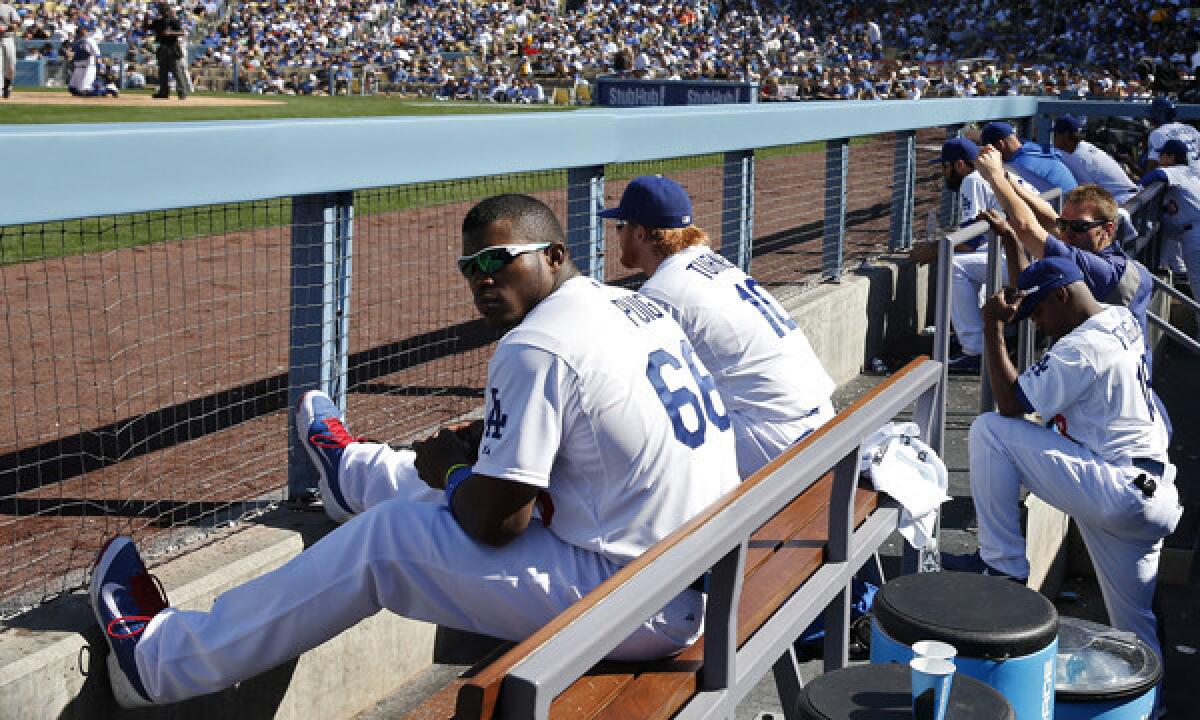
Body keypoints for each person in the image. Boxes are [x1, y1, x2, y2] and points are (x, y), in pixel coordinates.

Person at [89, 193, 739, 708]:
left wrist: (452, 469)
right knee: (475, 471)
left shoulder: (536, 343)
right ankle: (354, 475)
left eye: (499, 260)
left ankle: (161, 662)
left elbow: (496, 523)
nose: (483, 280)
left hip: (635, 602)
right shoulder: (628, 305)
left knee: (391, 539)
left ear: (554, 254)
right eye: (471, 268)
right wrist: (470, 465)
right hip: (687, 569)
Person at [961, 255, 1181, 669]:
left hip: (1116, 487)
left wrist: (991, 325)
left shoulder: (1082, 347)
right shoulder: (1120, 316)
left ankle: (1003, 567)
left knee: (990, 431)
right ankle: (1155, 709)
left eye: (1040, 312)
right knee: (1136, 630)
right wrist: (1014, 250)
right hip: (1151, 495)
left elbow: (1009, 405)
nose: (1038, 323)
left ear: (1063, 294)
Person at [598, 175, 835, 479]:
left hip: (774, 436)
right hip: (820, 417)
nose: (617, 235)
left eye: (621, 227)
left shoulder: (662, 292)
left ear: (641, 233)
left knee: (658, 436)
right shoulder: (712, 264)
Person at [909, 137, 1029, 372]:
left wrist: (933, 250)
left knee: (952, 263)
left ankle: (975, 349)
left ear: (960, 164)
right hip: (1029, 250)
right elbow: (978, 235)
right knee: (970, 258)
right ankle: (978, 333)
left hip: (1021, 258)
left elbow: (971, 241)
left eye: (945, 166)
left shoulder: (972, 181)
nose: (944, 173)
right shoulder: (992, 173)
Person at [1141, 139, 1200, 338]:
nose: (1158, 159)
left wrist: (1137, 186)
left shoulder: (1176, 171)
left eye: (1162, 155)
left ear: (1171, 157)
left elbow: (1155, 176)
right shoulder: (1193, 172)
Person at [1052, 115, 1139, 204]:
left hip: (1124, 202)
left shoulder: (1079, 156)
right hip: (1129, 198)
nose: (1053, 138)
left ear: (1065, 135)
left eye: (1055, 134)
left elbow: (1087, 191)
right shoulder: (1083, 147)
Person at [979, 120, 1078, 195]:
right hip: (1074, 203)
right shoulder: (1036, 149)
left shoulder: (1016, 167)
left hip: (1064, 213)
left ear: (1000, 145)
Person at [147, 1, 187, 99]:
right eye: (161, 9)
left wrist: (171, 33)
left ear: (168, 10)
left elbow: (182, 32)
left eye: (165, 9)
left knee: (177, 71)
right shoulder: (158, 22)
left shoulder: (173, 20)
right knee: (162, 72)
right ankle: (163, 92)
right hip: (162, 47)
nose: (163, 11)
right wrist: (146, 17)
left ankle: (182, 92)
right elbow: (147, 27)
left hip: (172, 48)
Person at [67, 26, 100, 96]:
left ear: (85, 31)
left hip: (88, 67)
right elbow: (72, 53)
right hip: (78, 68)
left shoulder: (89, 40)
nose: (78, 32)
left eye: (80, 31)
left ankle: (107, 90)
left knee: (84, 91)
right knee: (72, 89)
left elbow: (97, 54)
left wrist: (99, 66)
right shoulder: (77, 41)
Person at [0, 1, 18, 99]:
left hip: (8, 38)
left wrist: (6, 28)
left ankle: (7, 86)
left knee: (11, 64)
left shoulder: (9, 8)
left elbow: (16, 24)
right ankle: (1, 89)